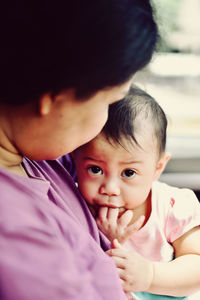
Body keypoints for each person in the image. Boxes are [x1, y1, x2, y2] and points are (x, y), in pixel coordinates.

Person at [0, 1, 158, 299]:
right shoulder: (16, 235)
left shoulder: (40, 157)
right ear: (55, 99)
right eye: (109, 103)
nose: (105, 125)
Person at [73, 85, 200, 300]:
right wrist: (104, 239)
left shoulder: (172, 205)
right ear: (75, 159)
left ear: (158, 168)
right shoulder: (75, 205)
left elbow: (196, 265)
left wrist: (150, 275)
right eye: (95, 169)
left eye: (129, 172)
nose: (110, 189)